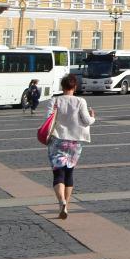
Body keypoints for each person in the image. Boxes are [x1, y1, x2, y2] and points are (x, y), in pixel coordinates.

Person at [44, 73, 95, 219]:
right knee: (69, 172)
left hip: (57, 140)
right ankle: (68, 204)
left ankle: (61, 201)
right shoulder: (80, 101)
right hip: (74, 142)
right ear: (75, 87)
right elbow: (86, 121)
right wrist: (93, 117)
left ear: (62, 86)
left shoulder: (54, 101)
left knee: (58, 172)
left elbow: (48, 119)